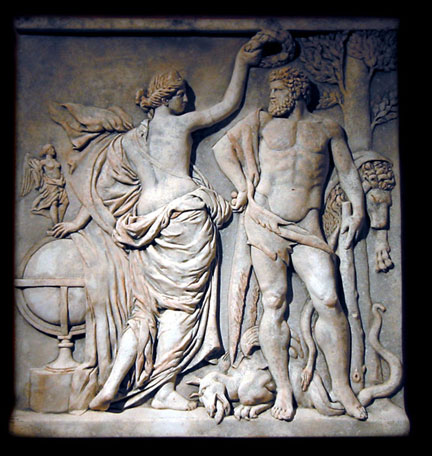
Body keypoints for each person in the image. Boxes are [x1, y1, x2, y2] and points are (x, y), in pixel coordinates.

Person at [51, 37, 264, 412]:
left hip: (146, 223)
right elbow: (228, 106)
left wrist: (80, 221)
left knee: (144, 309)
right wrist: (242, 63)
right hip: (185, 220)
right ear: (169, 97)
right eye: (183, 96)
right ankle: (163, 390)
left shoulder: (128, 141)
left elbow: (103, 191)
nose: (189, 103)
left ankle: (111, 385)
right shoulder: (182, 126)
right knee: (181, 309)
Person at [213, 66, 368, 421]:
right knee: (274, 301)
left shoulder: (328, 128)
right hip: (265, 223)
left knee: (329, 299)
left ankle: (342, 386)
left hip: (307, 226)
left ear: (296, 90)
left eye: (277, 90)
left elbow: (347, 171)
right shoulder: (261, 123)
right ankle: (283, 387)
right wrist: (243, 186)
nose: (271, 97)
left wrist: (359, 209)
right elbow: (222, 149)